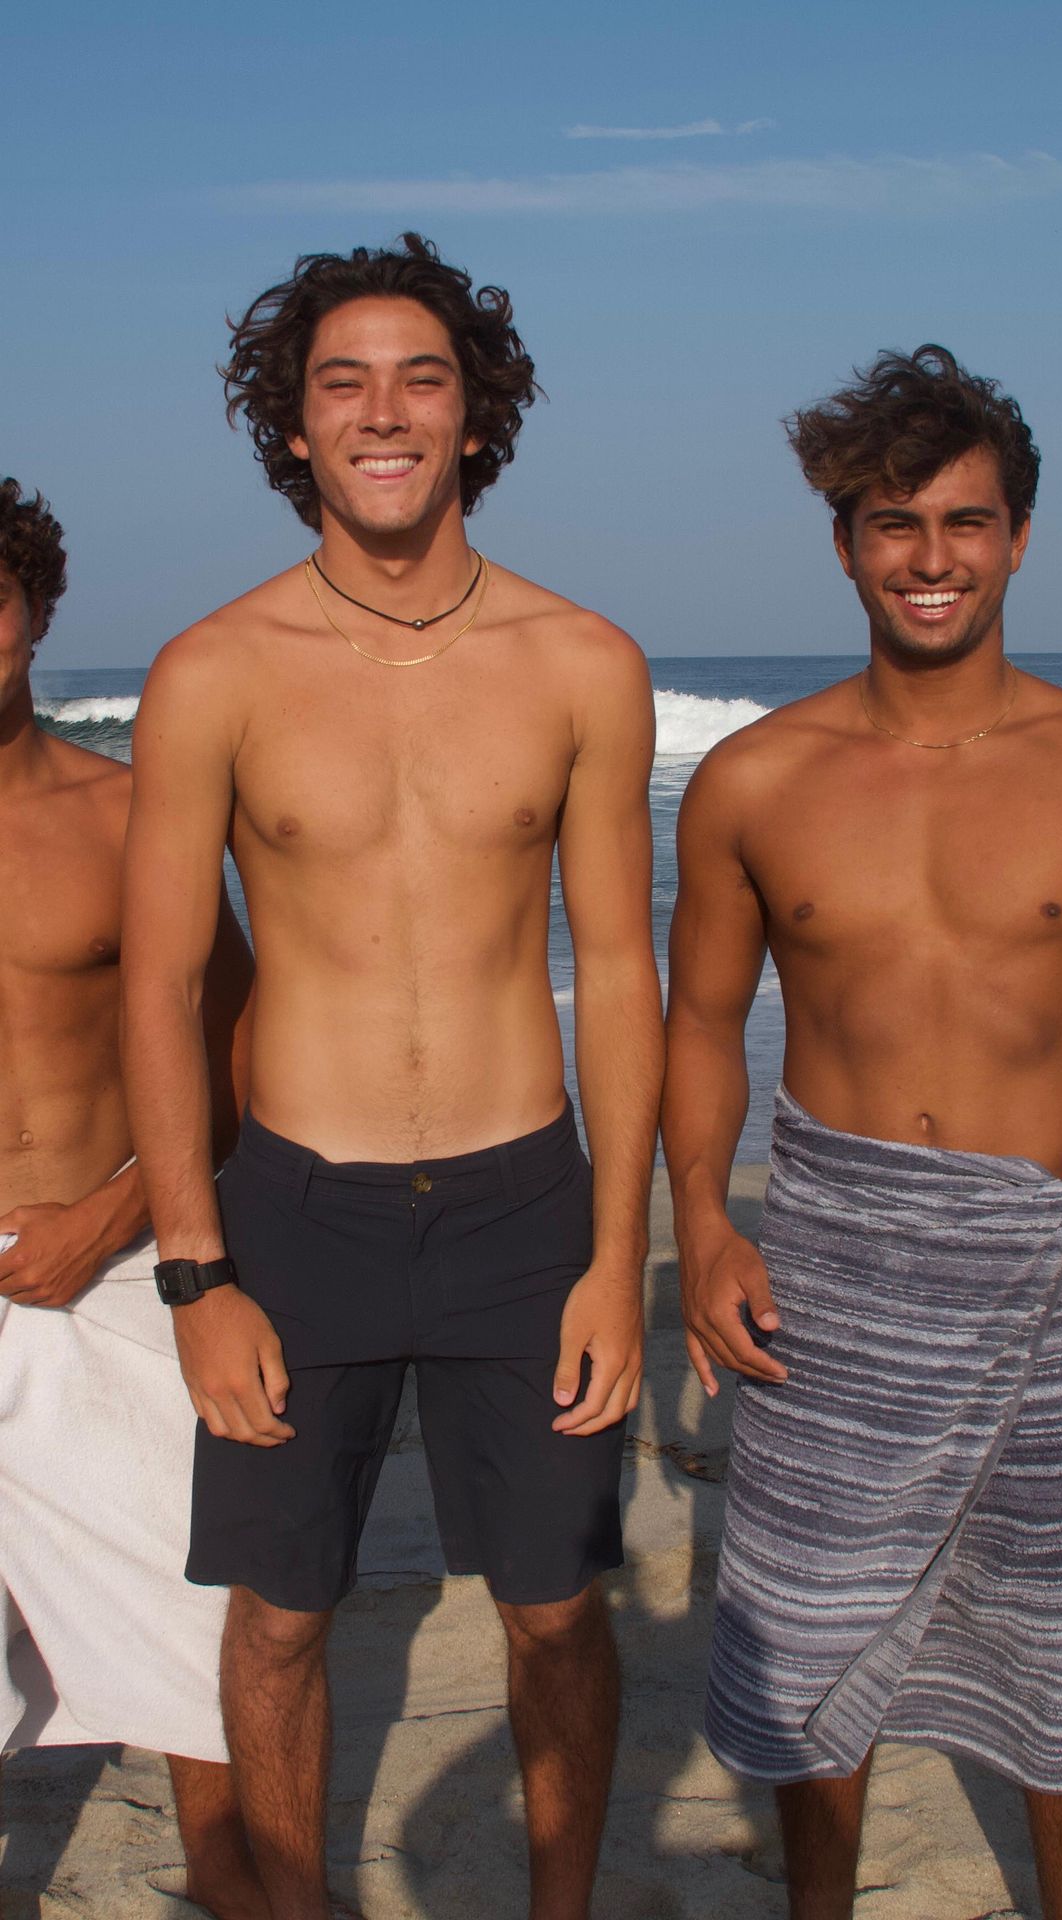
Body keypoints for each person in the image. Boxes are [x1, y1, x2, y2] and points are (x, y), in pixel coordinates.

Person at [122, 234, 662, 1920]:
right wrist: (196, 1272)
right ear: (292, 428)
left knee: (557, 1611)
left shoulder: (584, 661)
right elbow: (159, 988)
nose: (382, 412)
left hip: (524, 1202)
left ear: (474, 417)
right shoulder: (212, 670)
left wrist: (617, 1257)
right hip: (297, 1209)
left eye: (422, 378)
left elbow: (620, 973)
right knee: (281, 1617)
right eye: (341, 382)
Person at [663, 345, 1062, 1920]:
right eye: (894, 524)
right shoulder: (756, 780)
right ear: (845, 545)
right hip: (831, 1268)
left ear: (1020, 538)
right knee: (805, 1637)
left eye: (965, 522)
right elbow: (702, 1025)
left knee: (1059, 1646)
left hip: (1047, 1267)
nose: (930, 557)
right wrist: (706, 1229)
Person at [0, 479, 266, 1919]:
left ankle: (224, 1868)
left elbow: (235, 1056)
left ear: (37, 610)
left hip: (106, 1260)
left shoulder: (126, 818)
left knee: (189, 1587)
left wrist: (110, 1218)